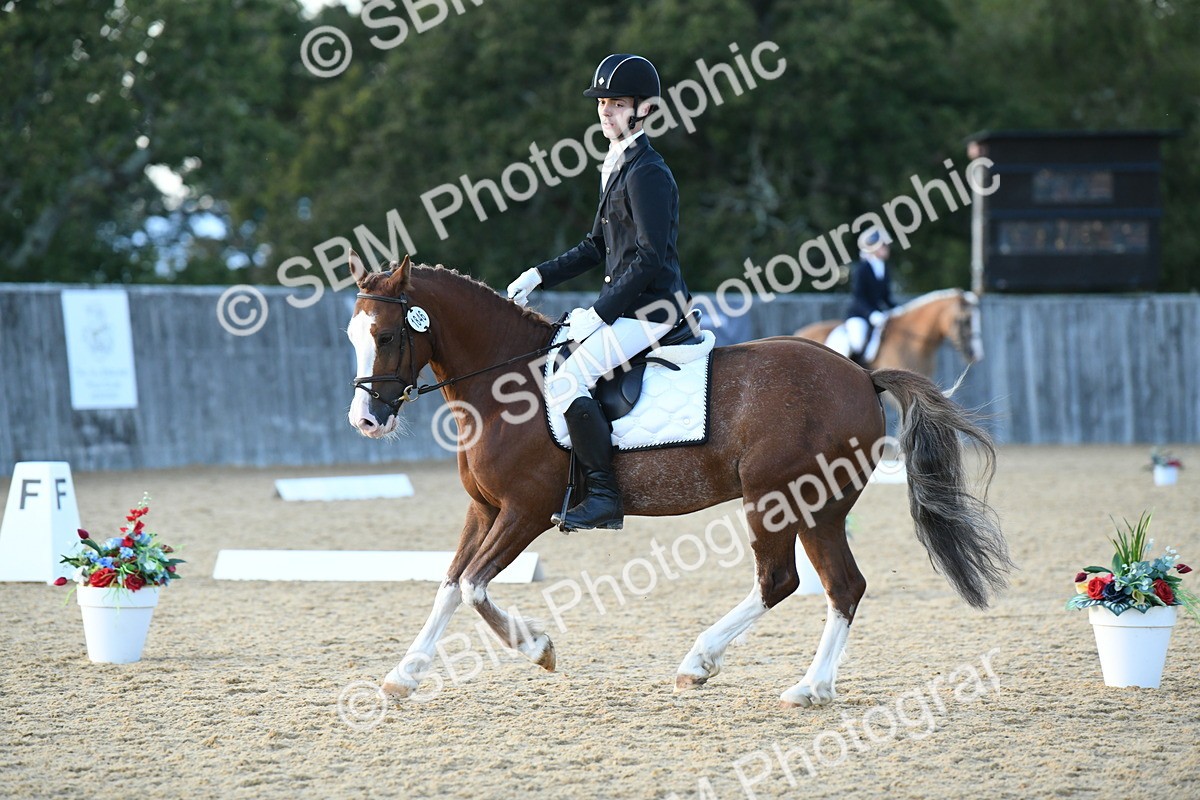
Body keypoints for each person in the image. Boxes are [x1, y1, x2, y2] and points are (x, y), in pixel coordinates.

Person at [506, 53, 691, 532]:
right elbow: (596, 246)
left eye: (617, 104)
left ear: (644, 109)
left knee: (567, 379)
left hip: (654, 311)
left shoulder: (647, 171)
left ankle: (604, 496)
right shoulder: (619, 166)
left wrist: (601, 313)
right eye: (602, 103)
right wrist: (540, 275)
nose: (605, 112)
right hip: (629, 308)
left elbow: (649, 257)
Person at [841, 226, 895, 365]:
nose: (887, 247)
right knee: (858, 342)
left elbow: (886, 298)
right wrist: (871, 314)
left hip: (879, 315)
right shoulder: (862, 269)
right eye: (884, 245)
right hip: (859, 315)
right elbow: (858, 297)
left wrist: (898, 310)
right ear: (873, 247)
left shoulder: (884, 269)